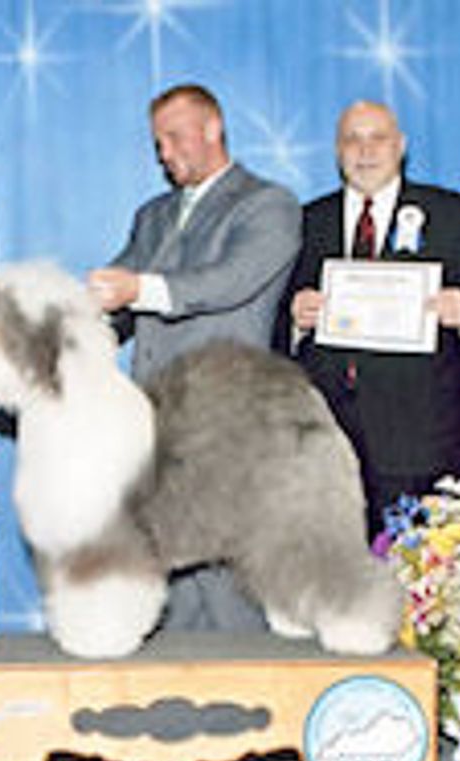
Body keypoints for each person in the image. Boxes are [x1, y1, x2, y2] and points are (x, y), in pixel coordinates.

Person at [87, 83, 301, 631]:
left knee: (228, 577)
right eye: (158, 141)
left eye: (175, 137)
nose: (164, 152)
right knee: (166, 577)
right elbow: (115, 303)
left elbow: (228, 282)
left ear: (213, 129)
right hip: (153, 421)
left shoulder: (267, 204)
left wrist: (137, 289)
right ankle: (171, 706)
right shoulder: (152, 215)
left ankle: (257, 697)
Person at [275, 100, 460, 536]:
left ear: (401, 146)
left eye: (378, 138)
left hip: (423, 448)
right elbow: (270, 333)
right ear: (336, 151)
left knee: (425, 594)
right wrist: (293, 318)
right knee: (332, 593)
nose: (365, 150)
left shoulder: (452, 216)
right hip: (324, 447)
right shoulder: (306, 222)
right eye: (352, 139)